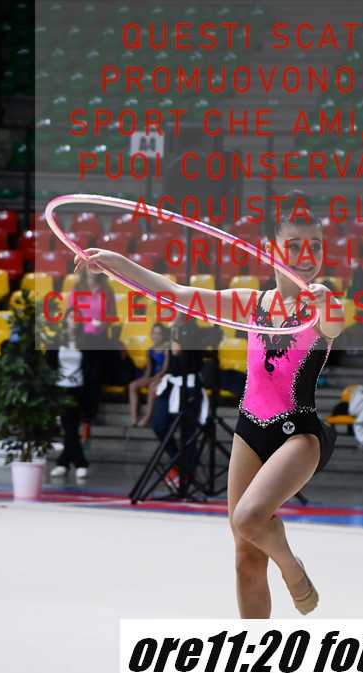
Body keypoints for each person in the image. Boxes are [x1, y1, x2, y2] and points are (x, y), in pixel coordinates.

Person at [73, 190, 345, 618]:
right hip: (249, 429)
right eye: (293, 245)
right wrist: (114, 262)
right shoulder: (251, 304)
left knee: (249, 518)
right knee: (244, 554)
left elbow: (333, 322)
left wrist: (322, 297)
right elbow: (175, 292)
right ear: (270, 249)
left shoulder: (322, 305)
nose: (305, 255)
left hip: (298, 435)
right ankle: (254, 650)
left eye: (314, 245)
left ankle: (293, 568)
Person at [150, 316, 206, 489]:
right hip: (171, 383)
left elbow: (180, 353)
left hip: (189, 386)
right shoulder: (171, 329)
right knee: (159, 425)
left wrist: (177, 337)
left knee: (188, 433)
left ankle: (187, 475)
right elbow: (169, 358)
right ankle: (179, 462)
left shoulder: (193, 331)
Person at [69, 270, 117, 435]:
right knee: (81, 376)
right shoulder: (77, 288)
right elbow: (70, 312)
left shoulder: (107, 289)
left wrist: (102, 324)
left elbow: (112, 314)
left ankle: (90, 415)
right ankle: (79, 413)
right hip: (81, 338)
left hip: (99, 339)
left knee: (94, 377)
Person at [46, 307, 89, 479]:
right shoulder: (57, 339)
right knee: (69, 427)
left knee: (71, 427)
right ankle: (79, 463)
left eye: (77, 317)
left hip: (79, 388)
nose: (74, 320)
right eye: (71, 316)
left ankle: (64, 463)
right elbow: (49, 363)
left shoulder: (86, 341)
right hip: (61, 388)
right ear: (66, 320)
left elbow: (91, 367)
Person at [129, 322, 170, 426]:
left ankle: (147, 418)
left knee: (152, 387)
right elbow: (149, 370)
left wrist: (156, 378)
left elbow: (165, 369)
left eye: (159, 334)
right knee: (132, 385)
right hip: (153, 377)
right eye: (154, 333)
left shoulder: (166, 349)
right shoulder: (150, 350)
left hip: (164, 377)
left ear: (163, 335)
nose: (156, 336)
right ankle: (134, 417)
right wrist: (143, 380)